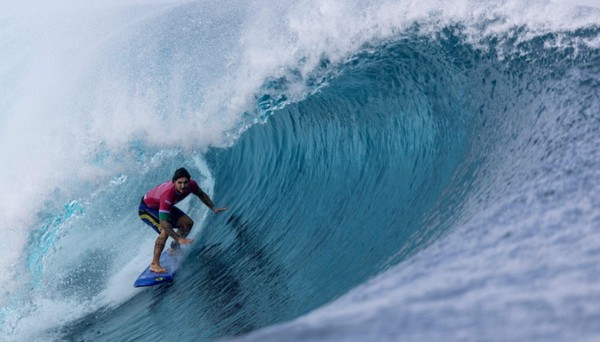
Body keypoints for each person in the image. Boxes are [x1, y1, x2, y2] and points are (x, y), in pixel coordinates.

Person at [138, 167, 227, 273]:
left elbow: (201, 194)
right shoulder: (167, 194)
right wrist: (178, 237)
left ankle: (174, 248)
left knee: (187, 223)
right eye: (179, 182)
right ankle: (154, 264)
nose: (183, 186)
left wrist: (213, 208)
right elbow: (164, 222)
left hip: (162, 206)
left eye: (185, 182)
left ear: (189, 181)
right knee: (165, 230)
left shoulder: (192, 185)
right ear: (174, 182)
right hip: (147, 209)